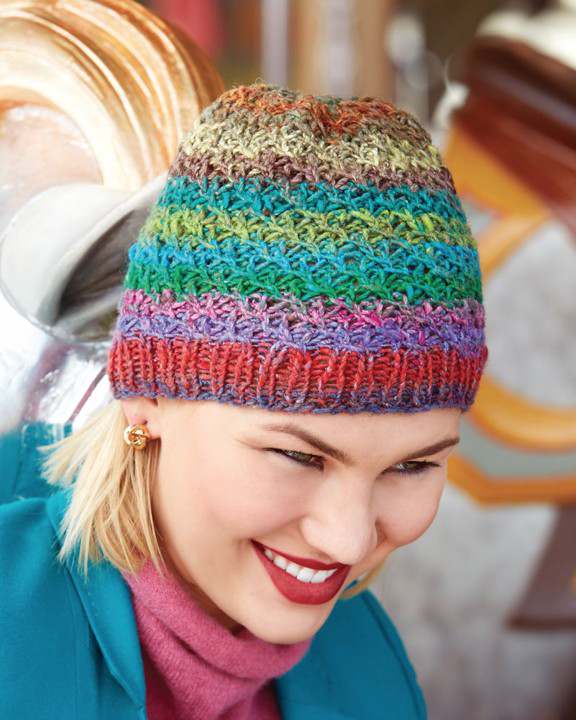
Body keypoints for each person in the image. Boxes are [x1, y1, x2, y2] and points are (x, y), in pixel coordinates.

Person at [0, 82, 488, 719]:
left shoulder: (371, 668)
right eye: (298, 456)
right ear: (146, 394)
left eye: (412, 466)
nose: (346, 541)